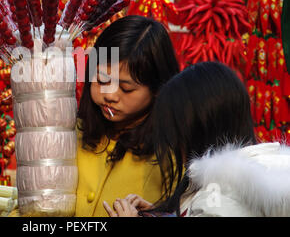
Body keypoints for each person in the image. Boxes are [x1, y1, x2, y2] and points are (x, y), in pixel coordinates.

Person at [104, 61, 290, 217]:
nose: (174, 144)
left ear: (195, 131)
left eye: (175, 132)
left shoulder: (217, 201)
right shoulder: (267, 173)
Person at [75, 15, 180, 216]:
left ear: (159, 88)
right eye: (101, 81)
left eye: (125, 88)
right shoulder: (70, 133)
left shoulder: (170, 155)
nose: (110, 95)